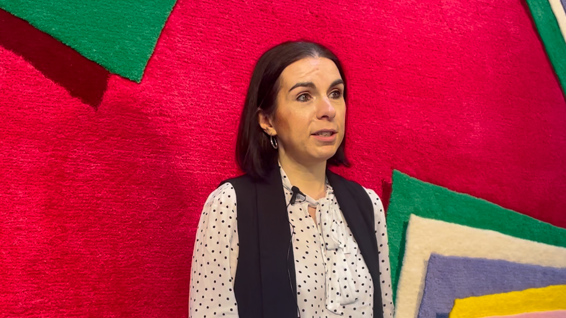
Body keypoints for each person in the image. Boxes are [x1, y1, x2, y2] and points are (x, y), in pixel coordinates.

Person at [189, 41, 394, 318]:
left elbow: (385, 310)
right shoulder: (231, 205)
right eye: (304, 96)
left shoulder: (368, 205)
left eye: (335, 93)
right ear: (267, 121)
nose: (328, 110)